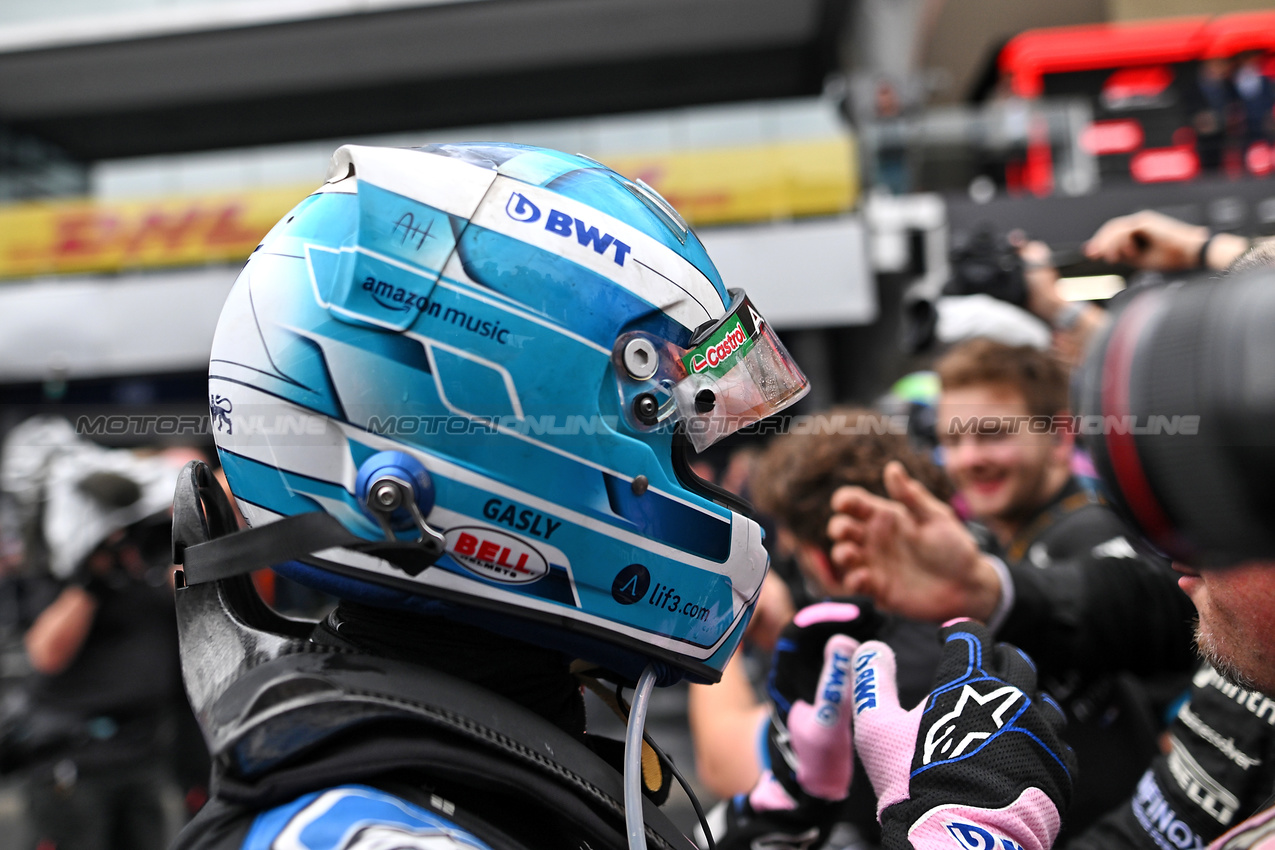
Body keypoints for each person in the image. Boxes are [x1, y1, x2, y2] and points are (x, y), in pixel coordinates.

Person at [166, 142, 812, 850]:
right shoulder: (371, 835)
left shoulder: (455, 767)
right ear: (513, 426)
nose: (707, 484)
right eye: (674, 438)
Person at [827, 338, 1193, 839]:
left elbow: (1131, 605)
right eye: (952, 439)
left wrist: (987, 590)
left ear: (1061, 437)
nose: (968, 458)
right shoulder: (1008, 539)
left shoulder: (1093, 531)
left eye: (992, 433)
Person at [687, 408, 948, 838]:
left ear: (826, 560)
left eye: (797, 552)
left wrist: (719, 620)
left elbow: (724, 763)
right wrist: (793, 632)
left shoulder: (874, 664)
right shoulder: (960, 607)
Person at [0, 419, 192, 850]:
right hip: (73, 763)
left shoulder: (146, 562)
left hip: (144, 754)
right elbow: (45, 654)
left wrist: (160, 545)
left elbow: (188, 605)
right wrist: (92, 580)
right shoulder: (56, 563)